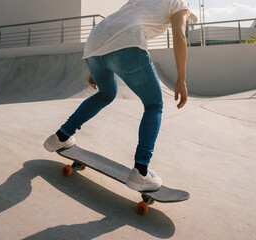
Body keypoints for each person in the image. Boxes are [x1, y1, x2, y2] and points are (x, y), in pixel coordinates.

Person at [44, 0, 190, 191]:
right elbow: (179, 36)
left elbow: (117, 24)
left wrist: (97, 67)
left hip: (95, 45)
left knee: (106, 94)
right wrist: (181, 79)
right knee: (153, 104)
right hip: (126, 45)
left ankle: (60, 136)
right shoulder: (178, 2)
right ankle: (141, 171)